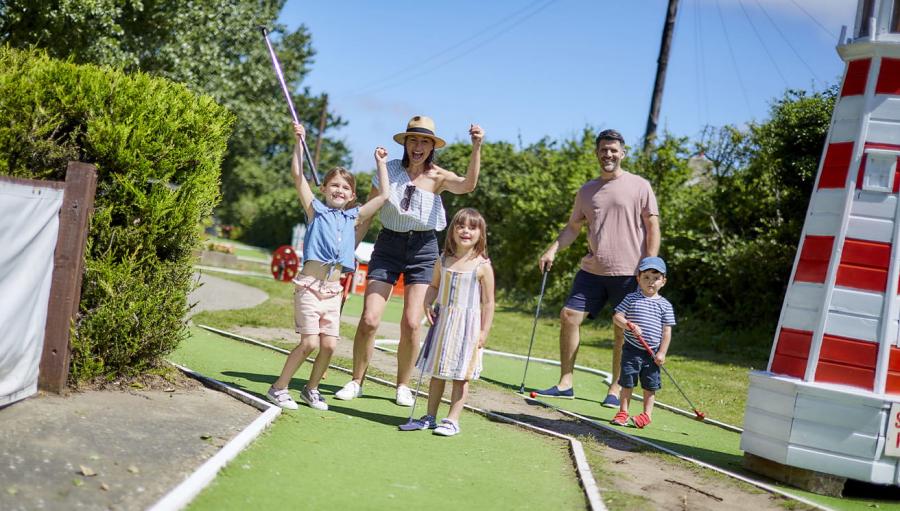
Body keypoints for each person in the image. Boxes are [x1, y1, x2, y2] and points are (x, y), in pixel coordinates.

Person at [336, 115, 484, 406]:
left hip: (423, 248)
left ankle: (402, 385)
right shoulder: (387, 170)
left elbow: (468, 185)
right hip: (388, 244)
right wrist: (347, 251)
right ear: (405, 143)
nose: (418, 146)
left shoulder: (438, 176)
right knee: (369, 319)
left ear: (432, 147)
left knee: (411, 323)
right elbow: (367, 213)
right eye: (413, 140)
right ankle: (356, 381)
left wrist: (477, 147)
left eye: (425, 142)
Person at [265, 123, 390, 410]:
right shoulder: (315, 211)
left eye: (345, 187)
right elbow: (298, 176)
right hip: (310, 286)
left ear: (352, 196)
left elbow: (383, 197)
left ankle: (311, 389)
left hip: (333, 291)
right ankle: (279, 387)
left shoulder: (353, 218)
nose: (339, 190)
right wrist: (299, 142)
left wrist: (380, 164)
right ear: (323, 188)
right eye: (334, 184)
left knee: (330, 345)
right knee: (309, 343)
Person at [536, 129, 660, 407]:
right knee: (569, 315)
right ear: (596, 153)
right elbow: (573, 228)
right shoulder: (587, 190)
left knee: (621, 329)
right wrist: (552, 249)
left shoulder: (640, 186)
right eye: (603, 150)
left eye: (613, 150)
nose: (608, 154)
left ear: (623, 153)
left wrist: (650, 266)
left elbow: (653, 226)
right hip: (592, 270)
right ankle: (565, 383)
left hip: (630, 274)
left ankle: (615, 390)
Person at [399, 208, 495, 436]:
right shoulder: (442, 260)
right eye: (460, 226)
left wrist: (484, 331)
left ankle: (452, 419)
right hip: (443, 325)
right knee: (437, 371)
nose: (465, 231)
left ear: (480, 234)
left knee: (461, 375)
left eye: (472, 228)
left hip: (467, 328)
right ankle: (430, 416)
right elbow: (433, 287)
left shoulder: (482, 266)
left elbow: (488, 303)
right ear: (452, 231)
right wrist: (427, 304)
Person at [610, 257, 675, 429]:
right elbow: (617, 317)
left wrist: (662, 353)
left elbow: (667, 332)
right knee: (627, 381)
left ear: (663, 281)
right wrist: (629, 325)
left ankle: (647, 415)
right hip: (632, 350)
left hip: (652, 353)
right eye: (646, 277)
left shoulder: (665, 306)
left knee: (650, 384)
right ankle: (623, 412)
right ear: (638, 279)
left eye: (656, 278)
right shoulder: (631, 298)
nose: (650, 282)